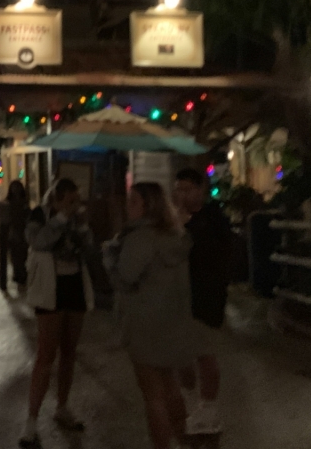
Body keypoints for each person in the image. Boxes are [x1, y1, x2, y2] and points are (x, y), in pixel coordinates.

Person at [104, 181, 196, 449]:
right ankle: (184, 440)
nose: (128, 206)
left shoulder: (140, 238)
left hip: (145, 324)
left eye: (134, 201)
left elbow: (124, 277)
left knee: (153, 396)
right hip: (172, 320)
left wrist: (110, 257)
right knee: (170, 387)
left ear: (147, 206)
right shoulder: (174, 235)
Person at [19, 178, 95, 448]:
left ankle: (63, 406)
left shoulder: (77, 218)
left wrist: (83, 224)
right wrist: (62, 218)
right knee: (45, 354)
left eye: (77, 201)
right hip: (49, 288)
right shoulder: (40, 215)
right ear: (58, 199)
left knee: (69, 351)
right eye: (70, 201)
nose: (74, 205)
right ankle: (31, 419)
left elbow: (88, 247)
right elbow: (38, 241)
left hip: (74, 284)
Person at [173, 167, 232, 435]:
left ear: (201, 190)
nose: (183, 195)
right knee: (183, 354)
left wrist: (186, 227)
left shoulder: (212, 219)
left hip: (206, 297)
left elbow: (212, 255)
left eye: (188, 189)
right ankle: (193, 404)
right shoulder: (176, 219)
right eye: (179, 189)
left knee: (205, 353)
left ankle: (209, 409)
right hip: (180, 298)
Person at [0, 180, 30, 290]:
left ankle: (19, 275)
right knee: (17, 256)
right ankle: (19, 275)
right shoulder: (18, 204)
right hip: (15, 233)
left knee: (19, 256)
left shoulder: (21, 204)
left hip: (20, 232)